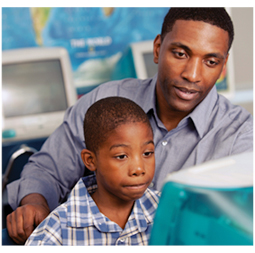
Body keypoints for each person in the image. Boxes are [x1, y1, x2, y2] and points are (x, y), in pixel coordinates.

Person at [6, 8, 253, 244]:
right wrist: (35, 202)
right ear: (157, 49)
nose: (192, 74)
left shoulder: (242, 138)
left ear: (223, 67)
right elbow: (48, 169)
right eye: (180, 54)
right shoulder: (104, 101)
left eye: (210, 61)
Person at [25, 97, 159, 245]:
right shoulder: (57, 231)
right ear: (90, 160)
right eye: (121, 156)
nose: (139, 169)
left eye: (147, 153)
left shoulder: (168, 210)